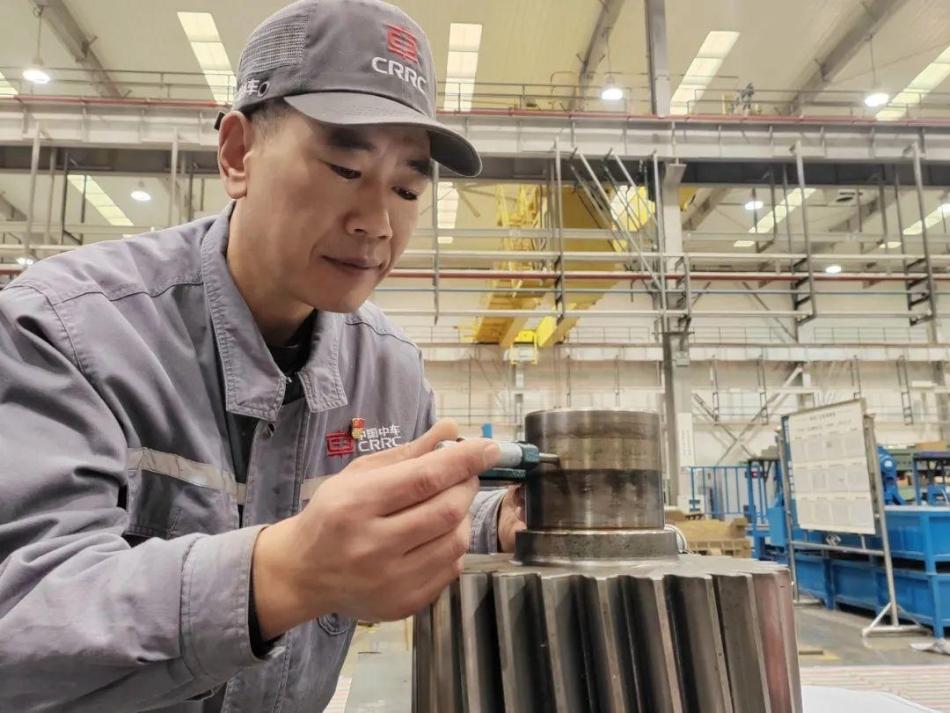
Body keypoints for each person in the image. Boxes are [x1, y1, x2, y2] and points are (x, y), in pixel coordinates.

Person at [0, 1, 525, 710]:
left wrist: (496, 520)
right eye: (345, 167)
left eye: (407, 188)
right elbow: (21, 609)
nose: (376, 222)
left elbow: (395, 516)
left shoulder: (389, 371)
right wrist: (286, 574)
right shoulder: (65, 328)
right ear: (238, 154)